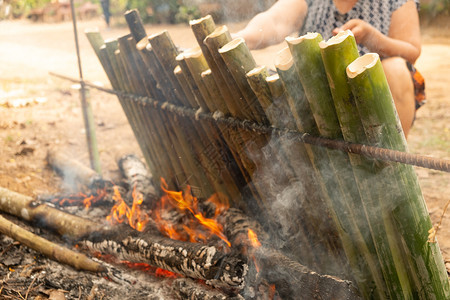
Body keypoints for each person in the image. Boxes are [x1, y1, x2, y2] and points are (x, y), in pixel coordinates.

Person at [236, 0, 426, 138]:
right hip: (312, 97)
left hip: (369, 101)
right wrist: (244, 37)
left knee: (396, 69)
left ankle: (390, 165)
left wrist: (372, 38)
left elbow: (411, 51)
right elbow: (275, 21)